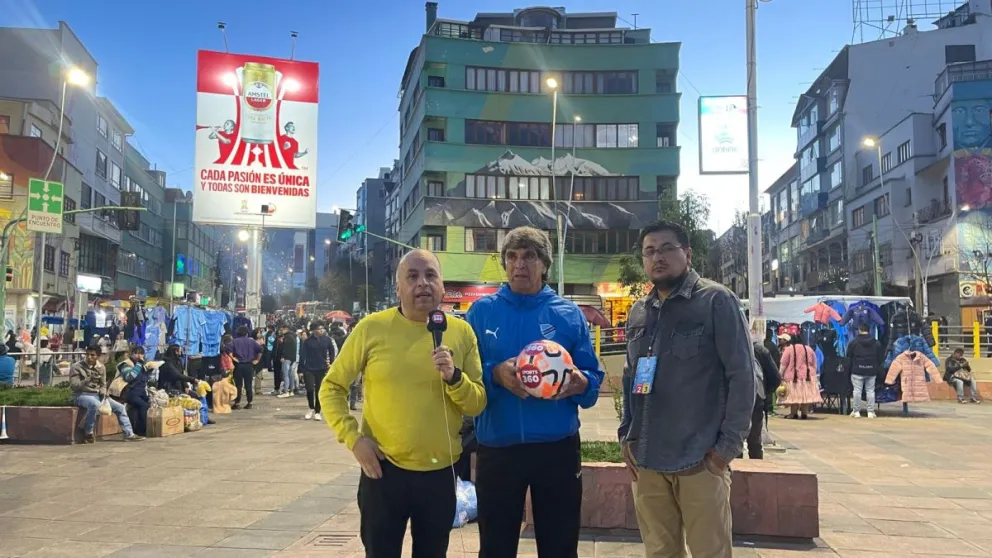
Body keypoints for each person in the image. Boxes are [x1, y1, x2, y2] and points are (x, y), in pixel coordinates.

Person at [319, 249, 487, 558]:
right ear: (398, 288)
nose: (422, 283)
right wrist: (354, 440)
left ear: (443, 286)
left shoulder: (461, 333)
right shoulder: (371, 328)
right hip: (382, 472)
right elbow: (331, 388)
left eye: (430, 275)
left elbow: (477, 403)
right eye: (412, 276)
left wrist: (454, 377)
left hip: (440, 473)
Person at [464, 226, 604, 558]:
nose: (519, 265)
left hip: (557, 449)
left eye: (529, 256)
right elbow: (464, 380)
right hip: (498, 449)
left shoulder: (568, 314)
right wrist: (496, 374)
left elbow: (592, 379)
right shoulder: (481, 313)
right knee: (495, 548)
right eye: (512, 257)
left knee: (559, 546)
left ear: (544, 263)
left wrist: (581, 382)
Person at [618, 219, 755, 558]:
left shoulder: (716, 301)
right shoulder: (639, 311)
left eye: (666, 248)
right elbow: (630, 377)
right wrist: (626, 436)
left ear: (687, 254)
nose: (657, 257)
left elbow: (742, 375)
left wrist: (725, 448)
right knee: (659, 553)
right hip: (648, 460)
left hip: (700, 458)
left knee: (710, 552)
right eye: (649, 251)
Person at [69, 345, 144, 443]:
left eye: (92, 355)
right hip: (82, 394)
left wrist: (103, 392)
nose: (89, 357)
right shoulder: (77, 367)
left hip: (98, 395)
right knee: (94, 404)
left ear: (98, 356)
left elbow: (103, 384)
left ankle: (129, 434)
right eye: (87, 354)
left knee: (120, 408)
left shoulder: (101, 367)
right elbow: (74, 386)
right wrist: (87, 380)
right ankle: (88, 432)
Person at [749, 337, 780, 459]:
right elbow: (775, 377)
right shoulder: (760, 350)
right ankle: (756, 474)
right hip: (756, 398)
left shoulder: (726, 346)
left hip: (731, 400)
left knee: (733, 443)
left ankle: (735, 475)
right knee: (755, 442)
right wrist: (764, 393)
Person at [300, 323, 336, 421]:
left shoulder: (327, 340)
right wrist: (301, 370)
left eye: (322, 329)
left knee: (319, 390)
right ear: (314, 330)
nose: (321, 330)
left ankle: (317, 411)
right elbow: (302, 355)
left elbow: (332, 351)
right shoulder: (307, 342)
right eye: (319, 329)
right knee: (310, 389)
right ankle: (311, 407)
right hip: (309, 368)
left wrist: (331, 363)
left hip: (321, 368)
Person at [780, 335, 821, 419]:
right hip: (808, 376)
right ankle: (804, 413)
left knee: (794, 396)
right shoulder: (809, 349)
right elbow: (814, 363)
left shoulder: (789, 349)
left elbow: (783, 364)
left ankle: (793, 413)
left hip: (793, 376)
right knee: (805, 396)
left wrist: (780, 375)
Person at [847, 324, 884, 418]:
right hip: (871, 370)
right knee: (870, 391)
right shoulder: (876, 342)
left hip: (857, 369)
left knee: (857, 391)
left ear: (859, 330)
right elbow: (880, 358)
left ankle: (856, 411)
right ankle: (870, 412)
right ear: (869, 330)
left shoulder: (853, 342)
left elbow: (848, 356)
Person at [119, 346, 152, 437]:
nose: (139, 355)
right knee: (143, 406)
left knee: (150, 403)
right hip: (130, 393)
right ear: (132, 354)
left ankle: (140, 428)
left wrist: (149, 370)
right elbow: (130, 376)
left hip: (141, 392)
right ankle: (141, 431)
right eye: (137, 353)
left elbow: (144, 379)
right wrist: (138, 364)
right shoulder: (126, 364)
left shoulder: (142, 365)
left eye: (141, 353)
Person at [228, 326, 262, 409]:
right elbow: (260, 349)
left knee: (238, 385)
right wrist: (257, 360)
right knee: (248, 385)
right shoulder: (252, 341)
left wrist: (233, 358)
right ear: (247, 333)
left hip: (238, 365)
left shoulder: (234, 341)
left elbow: (227, 349)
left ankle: (237, 403)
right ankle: (249, 402)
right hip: (249, 365)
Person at [278, 326, 299, 398]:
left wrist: (283, 356)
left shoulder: (287, 337)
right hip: (293, 358)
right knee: (291, 375)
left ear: (285, 329)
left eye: (282, 330)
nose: (281, 331)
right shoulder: (294, 337)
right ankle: (291, 391)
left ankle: (286, 391)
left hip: (286, 358)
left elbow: (285, 348)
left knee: (286, 375)